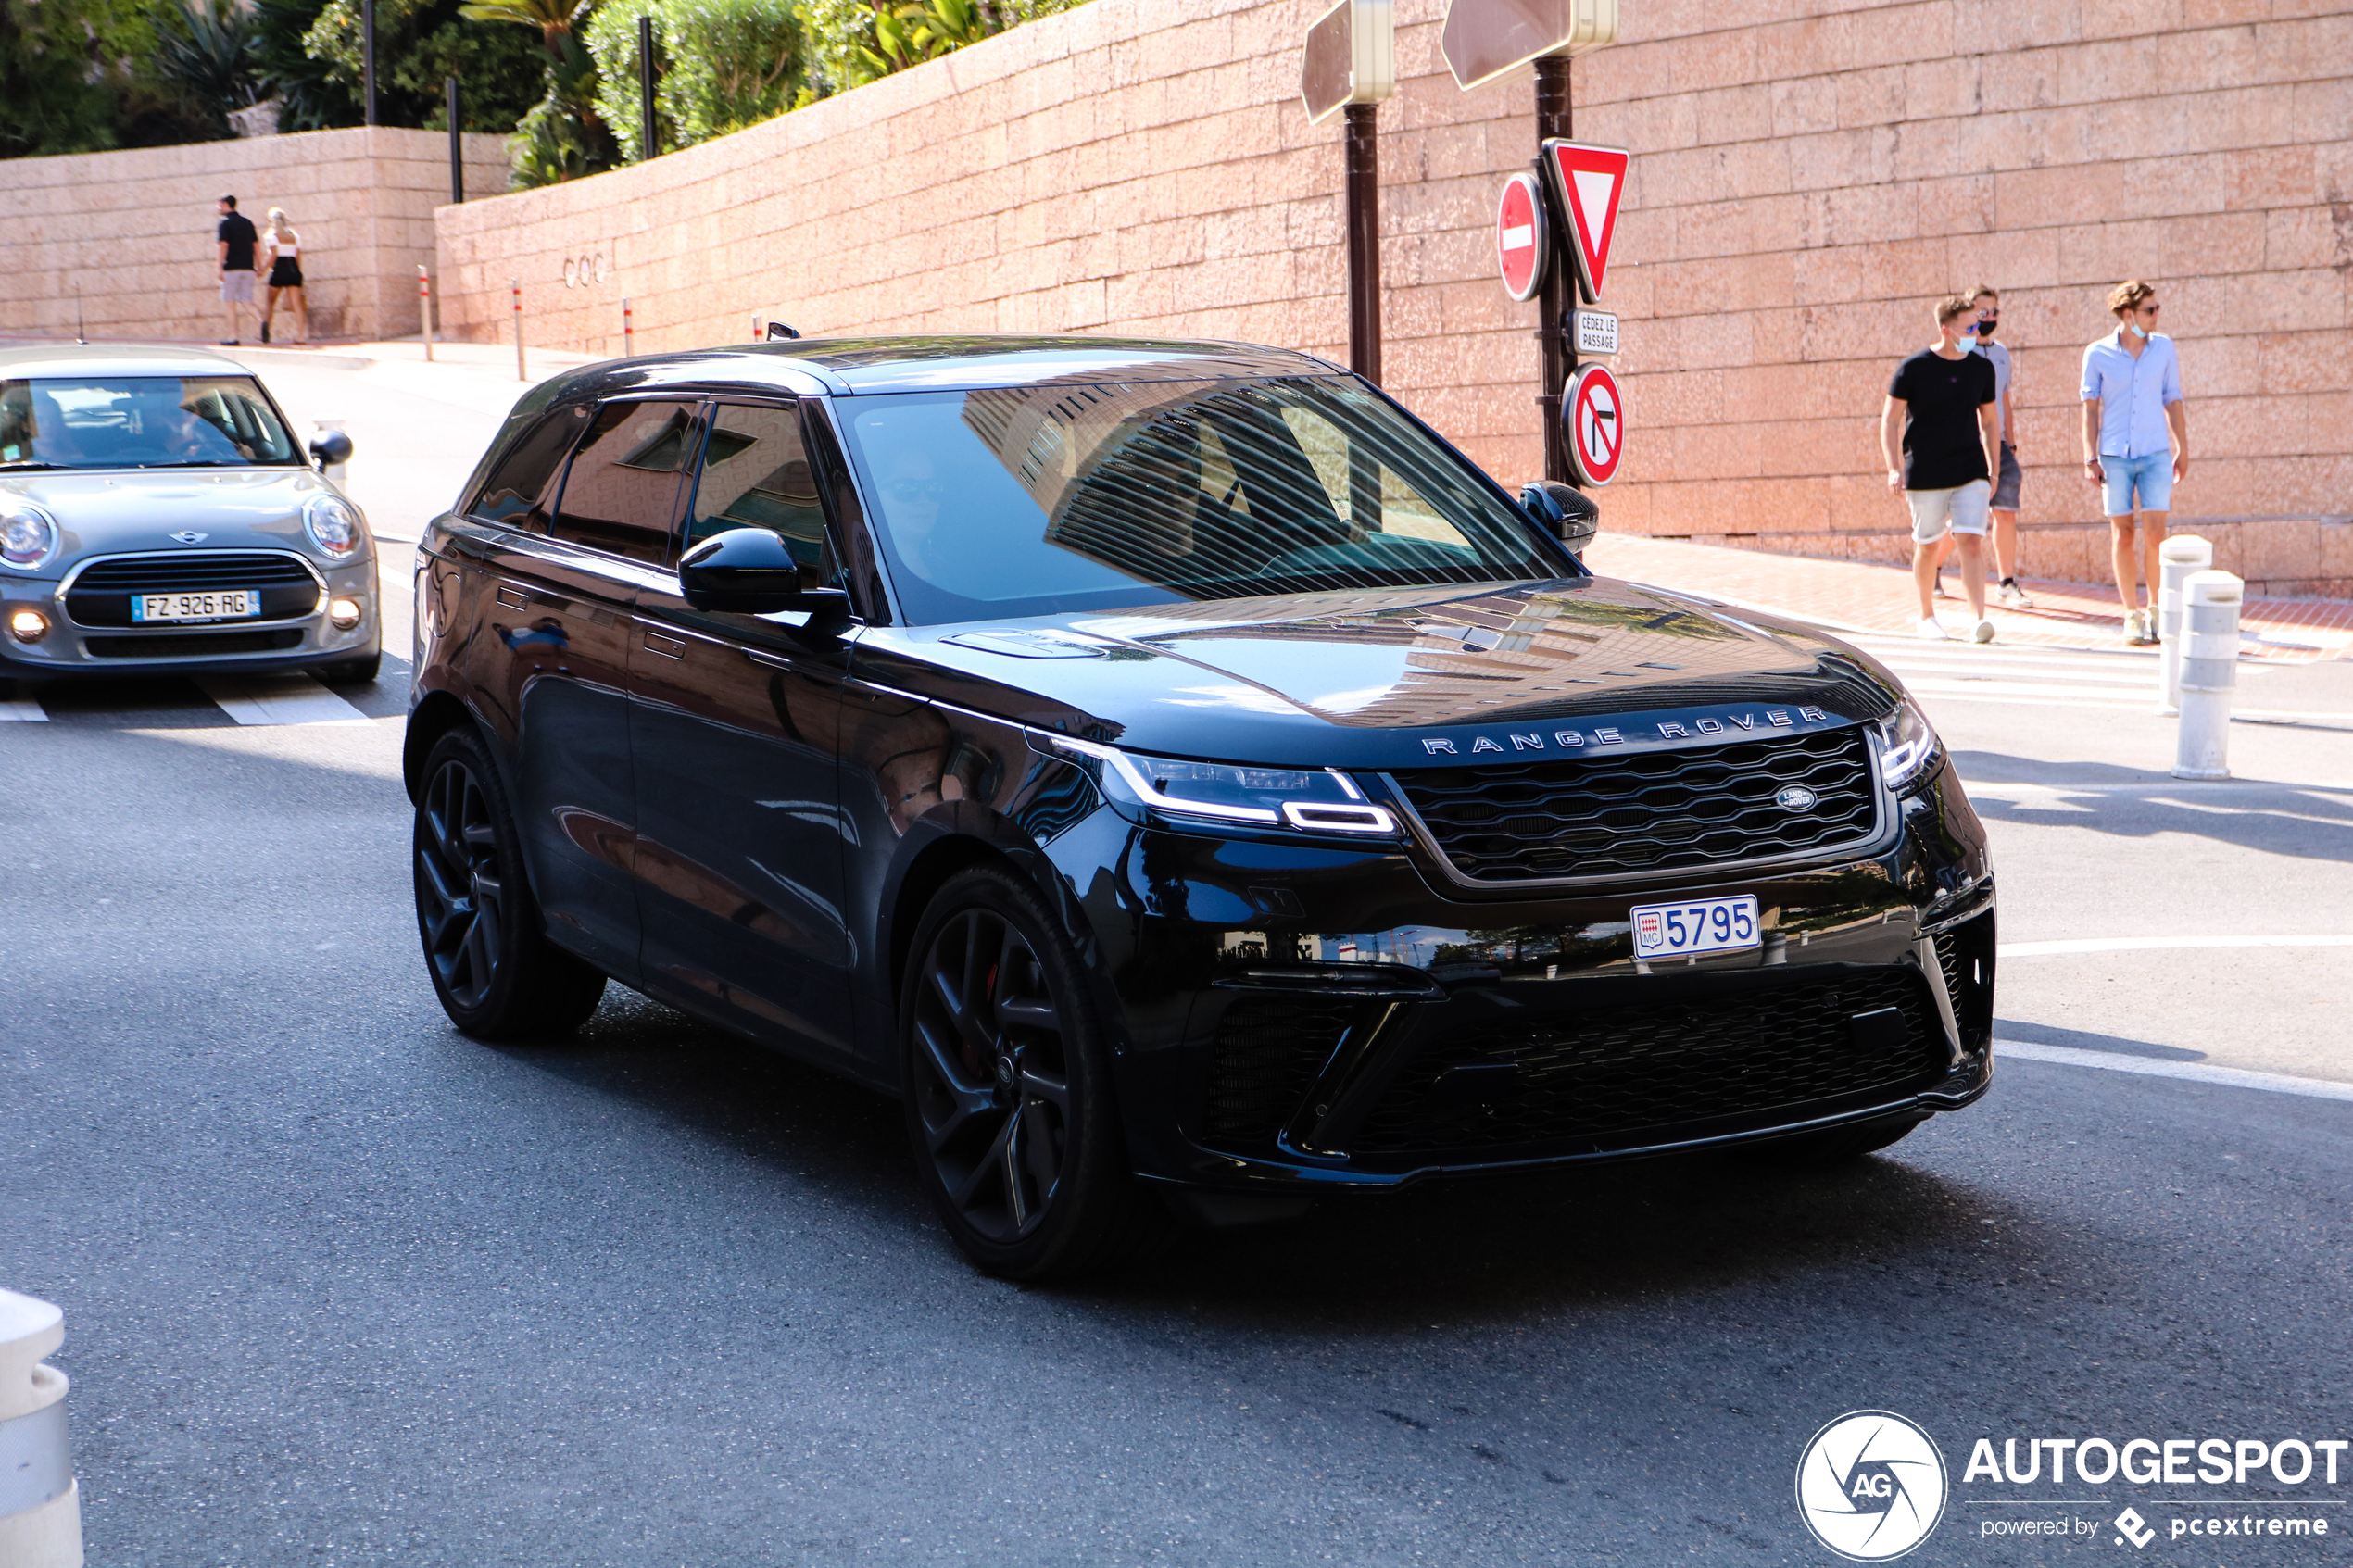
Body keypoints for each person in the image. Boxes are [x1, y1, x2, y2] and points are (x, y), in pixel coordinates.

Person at [1881, 295, 2001, 642]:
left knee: (1971, 541)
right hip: (1925, 470)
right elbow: (1889, 422)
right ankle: (1926, 616)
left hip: (1971, 468)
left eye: (1977, 325)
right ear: (1946, 329)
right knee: (1928, 543)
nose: (1976, 332)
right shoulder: (1913, 368)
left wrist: (1993, 471)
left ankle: (1978, 619)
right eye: (1970, 327)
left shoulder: (1982, 368)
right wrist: (1893, 468)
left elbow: (1991, 422)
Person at [2081, 280, 2188, 646]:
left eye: (2157, 309)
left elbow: (2172, 398)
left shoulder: (2164, 349)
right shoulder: (2097, 353)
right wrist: (2090, 456)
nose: (2157, 315)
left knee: (2157, 535)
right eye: (2150, 310)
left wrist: (2182, 447)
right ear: (2129, 315)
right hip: (2114, 455)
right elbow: (2090, 409)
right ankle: (2131, 613)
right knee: (2123, 534)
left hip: (2156, 452)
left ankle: (2156, 608)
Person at [215, 194, 259, 346]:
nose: (218, 207)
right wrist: (259, 265)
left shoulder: (224, 223)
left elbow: (224, 245)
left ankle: (233, 336)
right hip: (248, 267)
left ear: (226, 204)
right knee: (246, 300)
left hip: (231, 268)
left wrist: (219, 266)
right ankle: (262, 321)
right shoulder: (248, 222)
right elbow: (256, 246)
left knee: (230, 302)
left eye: (219, 204)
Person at [260, 208, 308, 345]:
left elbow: (272, 256)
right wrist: (297, 273)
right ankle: (301, 336)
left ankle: (265, 333)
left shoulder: (272, 236)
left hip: (279, 271)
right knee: (297, 305)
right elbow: (298, 257)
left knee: (270, 303)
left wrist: (263, 270)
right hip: (293, 270)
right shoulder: (294, 236)